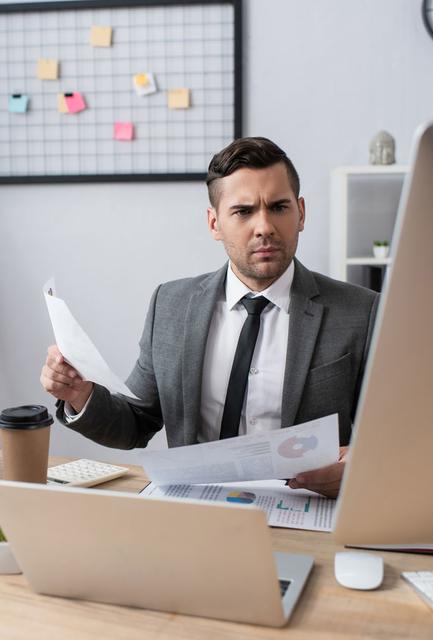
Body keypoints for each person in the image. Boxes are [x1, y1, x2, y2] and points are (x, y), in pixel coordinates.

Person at [40, 137, 378, 497]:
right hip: (197, 510)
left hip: (307, 511)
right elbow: (136, 423)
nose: (264, 226)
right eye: (243, 211)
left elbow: (396, 439)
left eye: (279, 207)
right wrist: (81, 395)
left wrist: (361, 466)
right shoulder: (170, 305)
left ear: (301, 214)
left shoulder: (360, 312)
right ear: (214, 223)